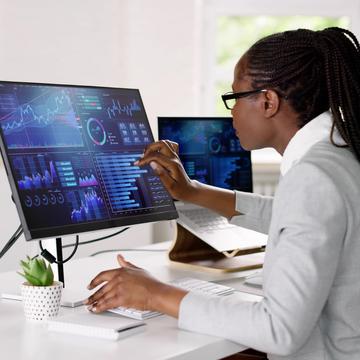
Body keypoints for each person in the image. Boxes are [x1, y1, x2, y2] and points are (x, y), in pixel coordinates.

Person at [84, 27, 360, 359]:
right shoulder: (339, 155)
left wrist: (154, 294)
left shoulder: (313, 176)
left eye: (234, 98)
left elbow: (278, 330)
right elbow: (290, 217)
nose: (232, 113)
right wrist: (191, 191)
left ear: (268, 101)